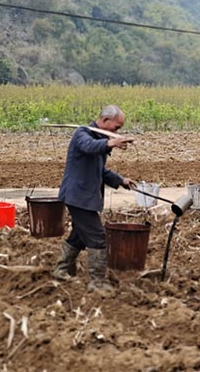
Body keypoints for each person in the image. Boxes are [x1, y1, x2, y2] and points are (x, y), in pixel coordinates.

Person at [53, 105, 135, 292]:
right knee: (98, 238)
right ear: (105, 121)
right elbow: (89, 147)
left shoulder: (99, 139)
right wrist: (111, 143)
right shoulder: (82, 134)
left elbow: (101, 170)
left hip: (84, 198)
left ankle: (61, 269)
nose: (117, 132)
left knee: (80, 236)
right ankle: (97, 282)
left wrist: (121, 180)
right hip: (78, 197)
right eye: (117, 127)